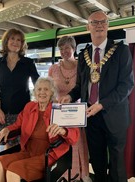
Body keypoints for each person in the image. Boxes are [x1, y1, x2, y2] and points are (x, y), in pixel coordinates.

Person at [59, 11, 134, 182]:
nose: (99, 25)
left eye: (103, 22)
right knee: (97, 162)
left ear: (108, 25)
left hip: (115, 116)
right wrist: (70, 97)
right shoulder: (84, 55)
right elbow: (80, 86)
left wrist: (102, 104)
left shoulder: (121, 51)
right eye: (95, 22)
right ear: (88, 26)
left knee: (117, 164)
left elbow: (127, 85)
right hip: (91, 118)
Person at [0, 77, 80, 182]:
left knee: (13, 170)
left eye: (46, 89)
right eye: (39, 89)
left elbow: (74, 137)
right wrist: (7, 129)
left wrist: (63, 131)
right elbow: (18, 125)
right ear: (35, 92)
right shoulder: (29, 107)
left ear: (52, 92)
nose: (42, 92)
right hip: (28, 151)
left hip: (48, 155)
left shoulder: (59, 109)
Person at [0, 28, 39, 149]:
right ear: (6, 41)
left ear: (22, 44)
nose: (15, 42)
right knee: (8, 147)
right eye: (12, 39)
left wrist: (48, 94)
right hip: (3, 113)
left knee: (23, 146)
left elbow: (38, 84)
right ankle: (5, 167)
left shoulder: (28, 63)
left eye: (19, 40)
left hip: (23, 112)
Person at [48, 36, 91, 182]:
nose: (64, 51)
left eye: (67, 48)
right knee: (61, 144)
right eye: (61, 49)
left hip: (77, 114)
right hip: (58, 114)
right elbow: (49, 90)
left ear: (73, 48)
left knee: (78, 145)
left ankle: (81, 174)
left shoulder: (82, 66)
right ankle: (63, 174)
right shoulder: (53, 69)